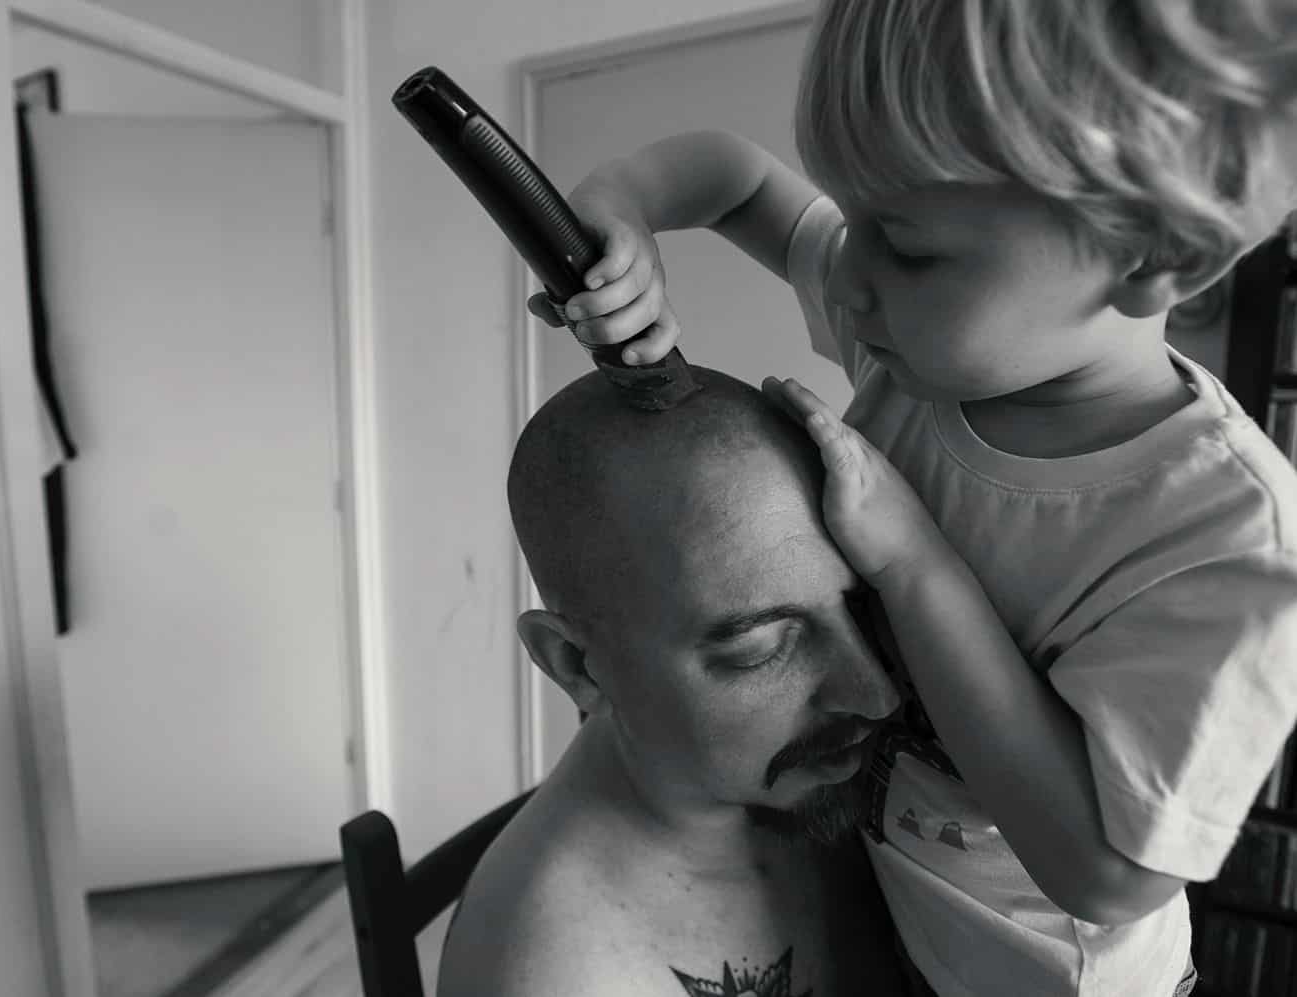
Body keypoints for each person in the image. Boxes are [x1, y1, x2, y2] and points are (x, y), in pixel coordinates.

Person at [526, 2, 1297, 994]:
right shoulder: (920, 353)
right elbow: (730, 174)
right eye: (850, 219)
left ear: (1153, 257)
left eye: (909, 245)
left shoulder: (1226, 539)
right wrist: (620, 206)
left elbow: (1107, 876)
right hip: (902, 941)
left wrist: (912, 558)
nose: (844, 278)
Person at [438, 365, 908, 996]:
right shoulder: (561, 975)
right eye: (759, 649)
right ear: (576, 665)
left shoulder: (807, 769)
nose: (875, 694)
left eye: (863, 607)